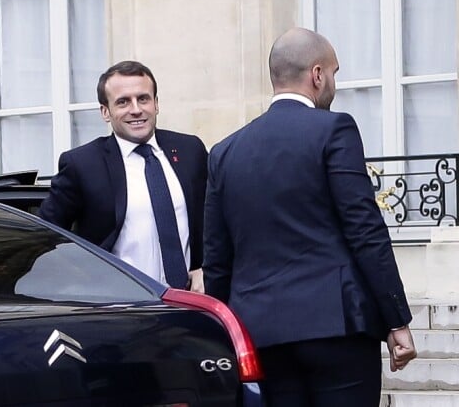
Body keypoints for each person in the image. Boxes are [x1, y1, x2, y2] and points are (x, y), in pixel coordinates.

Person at [203, 28, 416, 406]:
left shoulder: (225, 151)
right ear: (317, 75)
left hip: (261, 331)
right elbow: (364, 230)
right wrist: (396, 319)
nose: (333, 83)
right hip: (336, 327)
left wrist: (228, 334)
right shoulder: (334, 128)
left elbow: (217, 258)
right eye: (334, 73)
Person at [39, 60, 208, 292]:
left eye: (143, 99)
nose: (136, 109)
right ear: (105, 112)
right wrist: (83, 286)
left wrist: (206, 268)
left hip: (190, 301)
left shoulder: (190, 150)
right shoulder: (82, 164)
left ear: (156, 104)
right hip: (121, 306)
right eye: (123, 102)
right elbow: (46, 237)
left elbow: (217, 220)